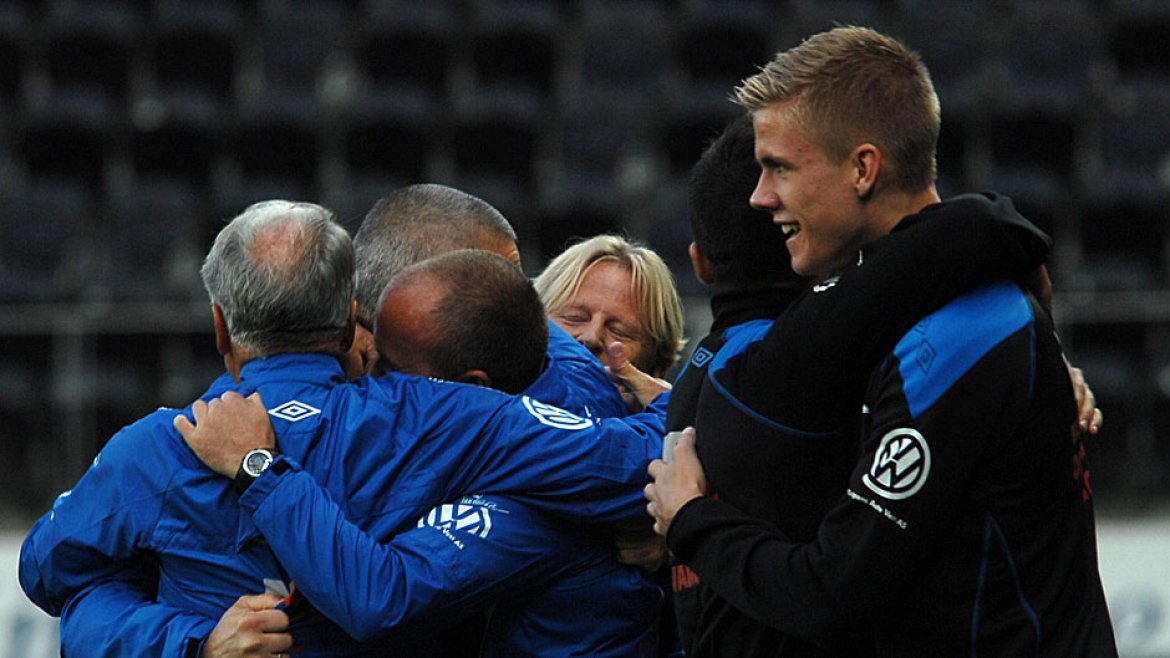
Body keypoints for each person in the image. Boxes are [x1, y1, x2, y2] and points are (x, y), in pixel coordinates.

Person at [644, 26, 1118, 656]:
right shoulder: (922, 303)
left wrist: (691, 521)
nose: (761, 197)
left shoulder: (958, 335)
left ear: (863, 169)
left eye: (778, 167)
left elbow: (829, 592)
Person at [20, 200, 667, 657]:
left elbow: (53, 581)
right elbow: (639, 463)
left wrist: (189, 643)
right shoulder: (445, 417)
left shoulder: (154, 450)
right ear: (353, 315)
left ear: (219, 327)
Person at [535, 234, 686, 403]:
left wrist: (671, 410)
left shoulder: (667, 423)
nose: (591, 338)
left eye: (619, 332)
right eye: (574, 318)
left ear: (654, 369)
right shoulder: (501, 408)